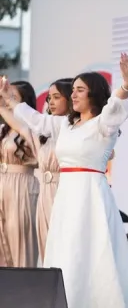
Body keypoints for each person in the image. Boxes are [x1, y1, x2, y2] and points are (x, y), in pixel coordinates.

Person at [3, 54, 128, 308]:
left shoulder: (104, 125)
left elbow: (115, 108)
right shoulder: (65, 126)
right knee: (66, 251)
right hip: (66, 196)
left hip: (91, 196)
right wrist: (11, 100)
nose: (75, 95)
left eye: (80, 90)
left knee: (91, 251)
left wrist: (126, 85)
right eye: (74, 90)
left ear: (93, 95)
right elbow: (36, 120)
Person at [0, 77, 73, 264]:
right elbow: (23, 127)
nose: (51, 102)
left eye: (57, 97)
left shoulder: (73, 129)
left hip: (64, 189)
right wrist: (4, 103)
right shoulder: (44, 132)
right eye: (49, 98)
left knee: (64, 246)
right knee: (46, 246)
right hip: (45, 193)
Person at [0, 80, 39, 267]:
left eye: (12, 96)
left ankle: (25, 291)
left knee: (20, 240)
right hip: (2, 183)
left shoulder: (34, 129)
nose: (7, 100)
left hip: (22, 186)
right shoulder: (3, 131)